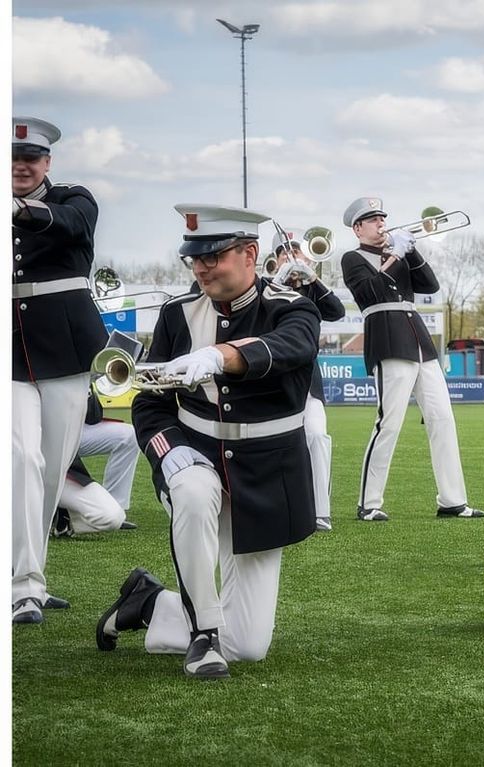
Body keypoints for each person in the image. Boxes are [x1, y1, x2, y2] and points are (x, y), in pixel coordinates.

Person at [96, 204, 321, 679]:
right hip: (196, 456)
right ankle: (203, 633)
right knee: (193, 494)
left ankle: (150, 602)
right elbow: (150, 401)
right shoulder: (177, 314)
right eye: (193, 259)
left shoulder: (292, 306)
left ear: (250, 254)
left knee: (250, 646)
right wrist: (168, 449)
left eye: (213, 256)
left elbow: (293, 347)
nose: (200, 267)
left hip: (266, 476)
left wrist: (222, 355)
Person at [12, 116, 109, 624]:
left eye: (29, 158)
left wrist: (18, 210)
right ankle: (22, 586)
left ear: (47, 162)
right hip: (11, 352)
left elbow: (71, 225)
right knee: (21, 457)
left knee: (51, 469)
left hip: (68, 350)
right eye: (12, 158)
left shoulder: (75, 196)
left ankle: (35, 579)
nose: (20, 166)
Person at [340, 197, 484, 522]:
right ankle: (369, 503)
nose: (381, 223)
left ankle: (452, 500)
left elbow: (429, 285)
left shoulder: (400, 253)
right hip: (388, 337)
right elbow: (371, 293)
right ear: (357, 227)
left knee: (442, 419)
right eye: (373, 219)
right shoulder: (352, 258)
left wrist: (411, 250)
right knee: (388, 423)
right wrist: (394, 256)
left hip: (419, 340)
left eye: (382, 217)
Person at [272, 227, 346, 532]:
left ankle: (319, 511)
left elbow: (337, 311)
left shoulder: (311, 288)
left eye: (298, 253)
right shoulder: (265, 287)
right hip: (272, 380)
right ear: (274, 260)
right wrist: (277, 282)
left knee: (316, 435)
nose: (293, 258)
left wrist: (312, 278)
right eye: (286, 254)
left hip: (307, 382)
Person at [53, 390, 139, 536]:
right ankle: (59, 515)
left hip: (74, 432)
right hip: (47, 438)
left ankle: (116, 503)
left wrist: (87, 390)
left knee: (128, 435)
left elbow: (94, 417)